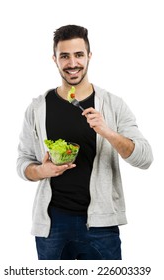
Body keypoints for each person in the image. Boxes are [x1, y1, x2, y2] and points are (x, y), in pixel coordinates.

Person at [17, 24, 153, 260]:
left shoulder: (113, 105)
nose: (72, 63)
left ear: (89, 56)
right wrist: (41, 170)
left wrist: (108, 132)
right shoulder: (38, 108)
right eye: (65, 56)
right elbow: (23, 163)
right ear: (55, 59)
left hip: (101, 226)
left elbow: (145, 158)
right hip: (52, 225)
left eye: (79, 55)